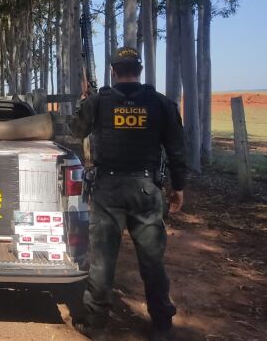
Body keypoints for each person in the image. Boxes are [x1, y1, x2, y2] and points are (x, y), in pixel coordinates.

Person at [69, 47, 187, 341]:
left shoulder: (99, 102)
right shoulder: (161, 104)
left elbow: (76, 132)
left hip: (108, 189)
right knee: (152, 260)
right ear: (141, 69)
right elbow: (176, 150)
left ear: (113, 71)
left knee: (103, 260)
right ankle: (161, 323)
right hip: (147, 190)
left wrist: (85, 104)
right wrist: (179, 187)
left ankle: (96, 323)